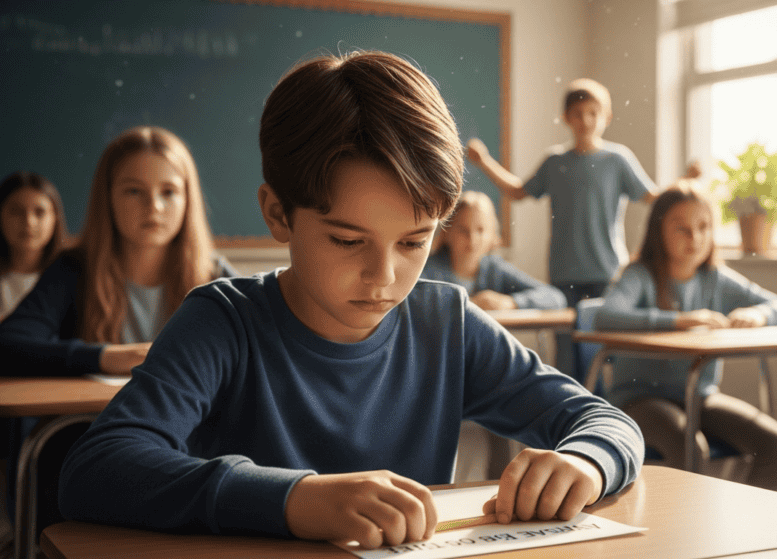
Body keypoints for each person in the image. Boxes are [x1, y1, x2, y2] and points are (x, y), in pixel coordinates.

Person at [58, 51, 643, 549]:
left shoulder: (447, 322)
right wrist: (294, 498)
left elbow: (605, 421)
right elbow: (97, 468)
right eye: (346, 240)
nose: (383, 276)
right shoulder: (224, 321)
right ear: (277, 213)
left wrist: (585, 463)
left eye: (415, 241)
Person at [0, 125, 235, 534]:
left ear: (188, 199)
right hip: (83, 451)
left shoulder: (215, 277)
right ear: (107, 197)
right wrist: (106, 356)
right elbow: (7, 343)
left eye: (168, 191)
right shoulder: (73, 269)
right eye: (133, 191)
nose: (154, 207)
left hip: (188, 453)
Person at [594, 184, 777, 492]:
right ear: (657, 231)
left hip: (699, 397)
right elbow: (605, 316)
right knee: (689, 444)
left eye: (703, 227)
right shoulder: (639, 274)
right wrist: (680, 320)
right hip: (638, 400)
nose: (695, 238)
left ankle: (749, 529)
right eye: (682, 229)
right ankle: (685, 531)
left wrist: (760, 315)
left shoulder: (716, 278)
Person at [466, 78, 658, 375]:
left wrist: (690, 182)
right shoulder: (555, 162)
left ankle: (602, 418)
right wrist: (485, 162)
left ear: (606, 116)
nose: (586, 121)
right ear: (566, 118)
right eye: (578, 113)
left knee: (601, 358)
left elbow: (654, 199)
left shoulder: (618, 160)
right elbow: (518, 192)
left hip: (606, 274)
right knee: (567, 361)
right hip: (563, 278)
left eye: (593, 113)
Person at [421, 190, 566, 310]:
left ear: (493, 236)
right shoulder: (427, 269)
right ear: (447, 233)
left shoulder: (495, 269)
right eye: (463, 230)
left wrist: (511, 302)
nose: (472, 239)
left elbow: (555, 297)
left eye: (481, 230)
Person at [0, 171, 68, 321]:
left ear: (55, 218)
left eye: (40, 212)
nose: (28, 222)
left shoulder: (74, 277)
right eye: (16, 211)